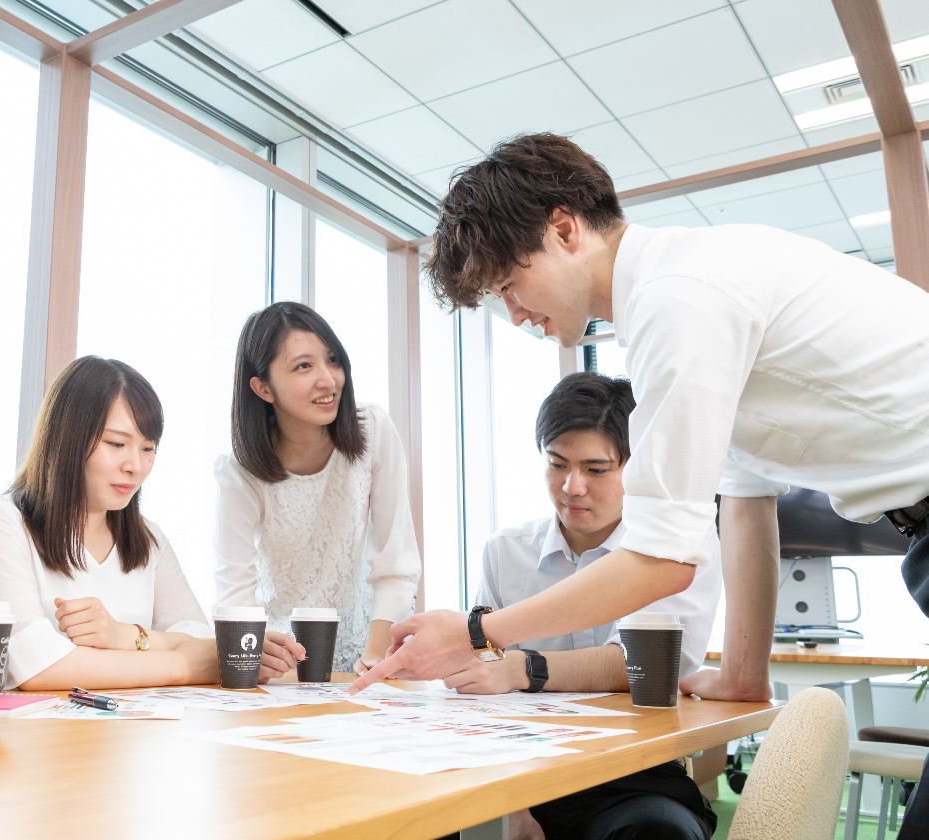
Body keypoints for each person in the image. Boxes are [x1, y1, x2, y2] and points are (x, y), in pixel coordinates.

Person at [351, 132, 929, 707]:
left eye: (510, 285)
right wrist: (741, 676)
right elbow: (747, 496)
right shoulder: (683, 291)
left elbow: (662, 561)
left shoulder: (676, 299)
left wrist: (477, 633)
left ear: (563, 230)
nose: (517, 313)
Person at [447, 372, 721, 840]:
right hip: (523, 768)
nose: (572, 487)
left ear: (638, 467)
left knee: (658, 832)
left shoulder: (678, 551)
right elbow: (484, 672)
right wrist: (512, 803)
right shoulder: (505, 551)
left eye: (596, 470)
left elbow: (639, 665)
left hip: (634, 775)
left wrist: (522, 668)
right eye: (557, 464)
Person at [0, 356, 302, 690]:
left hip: (133, 741)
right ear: (66, 440)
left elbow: (199, 638)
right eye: (116, 443)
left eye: (148, 448)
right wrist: (181, 663)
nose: (135, 466)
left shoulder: (149, 538)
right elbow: (33, 664)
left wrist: (124, 636)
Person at [214, 302, 421, 674]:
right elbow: (235, 596)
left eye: (333, 360)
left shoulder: (372, 429)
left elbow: (396, 565)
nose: (328, 379)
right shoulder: (238, 472)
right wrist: (256, 656)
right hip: (280, 669)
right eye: (304, 366)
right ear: (263, 388)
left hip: (368, 655)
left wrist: (373, 658)